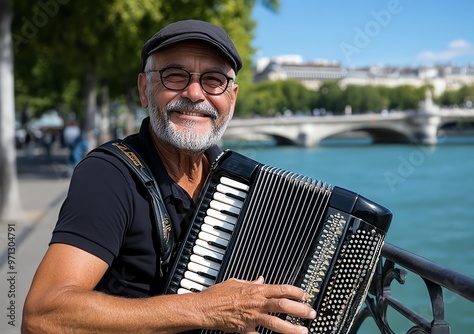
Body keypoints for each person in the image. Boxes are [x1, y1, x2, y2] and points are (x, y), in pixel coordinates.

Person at [22, 19, 316, 334]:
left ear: (231, 97)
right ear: (144, 90)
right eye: (174, 76)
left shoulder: (247, 182)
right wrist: (205, 309)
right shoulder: (108, 176)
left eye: (214, 80)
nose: (194, 93)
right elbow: (42, 316)